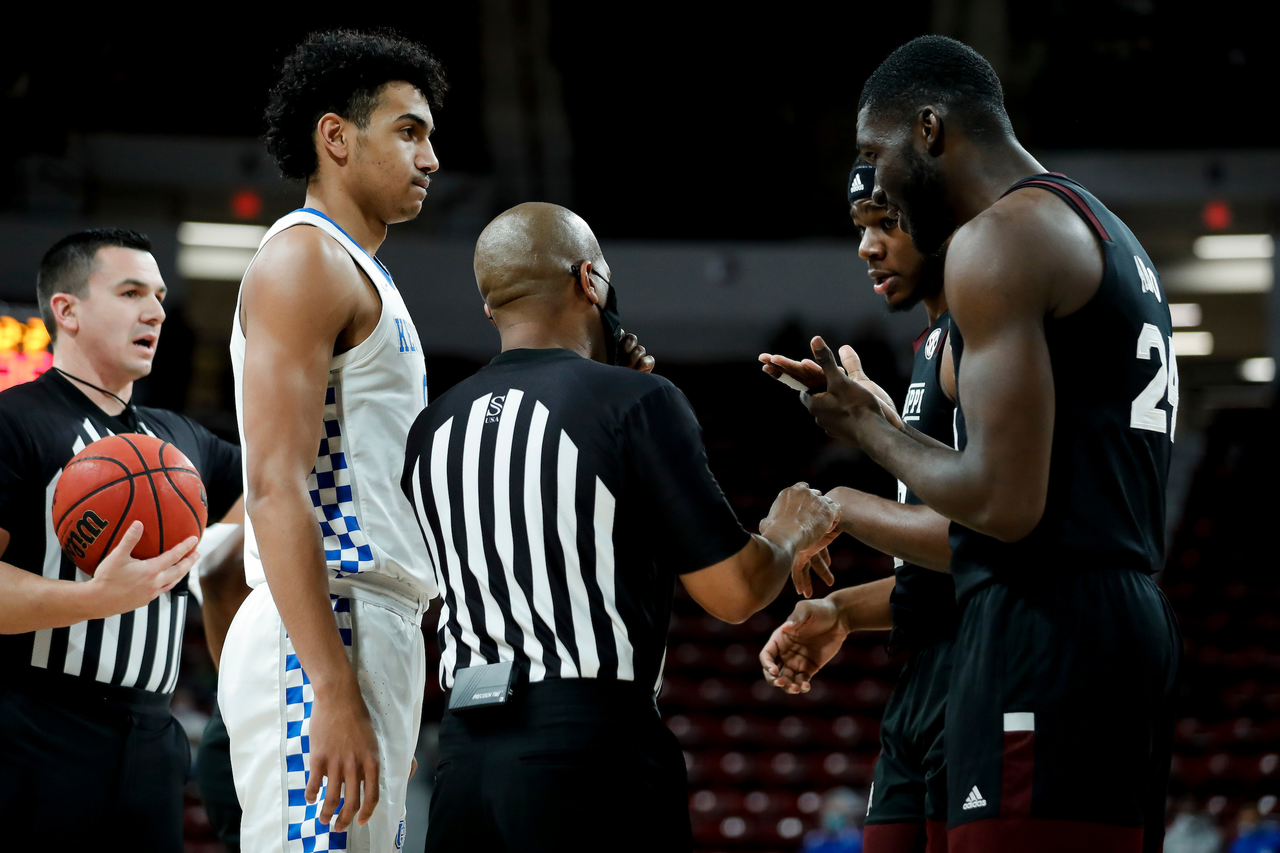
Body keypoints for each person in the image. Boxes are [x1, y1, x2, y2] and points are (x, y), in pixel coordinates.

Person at [771, 35, 1182, 853]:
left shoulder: (999, 240)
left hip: (1045, 624)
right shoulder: (1099, 227)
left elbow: (1003, 502)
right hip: (1109, 617)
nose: (873, 184)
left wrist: (866, 445)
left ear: (928, 131)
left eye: (873, 155)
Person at [402, 202, 838, 853]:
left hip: (465, 758)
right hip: (589, 746)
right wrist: (785, 531)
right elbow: (734, 590)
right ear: (590, 282)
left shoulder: (430, 428)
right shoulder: (636, 403)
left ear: (492, 306)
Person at [218, 30, 446, 853]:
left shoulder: (361, 271)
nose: (430, 157)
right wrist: (331, 683)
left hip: (366, 620)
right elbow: (275, 484)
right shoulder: (306, 259)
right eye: (409, 131)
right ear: (337, 137)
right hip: (328, 620)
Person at [0, 228, 244, 851]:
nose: (156, 311)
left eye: (160, 296)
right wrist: (93, 598)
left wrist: (217, 560)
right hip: (36, 725)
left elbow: (277, 485)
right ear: (68, 310)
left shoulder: (180, 439)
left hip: (155, 734)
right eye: (132, 291)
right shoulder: (15, 420)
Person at [760, 160, 958, 853]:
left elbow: (993, 537)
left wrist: (842, 504)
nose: (868, 246)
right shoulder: (933, 345)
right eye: (862, 226)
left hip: (997, 669)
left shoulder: (986, 334)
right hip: (928, 676)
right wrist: (843, 610)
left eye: (889, 222)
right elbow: (948, 561)